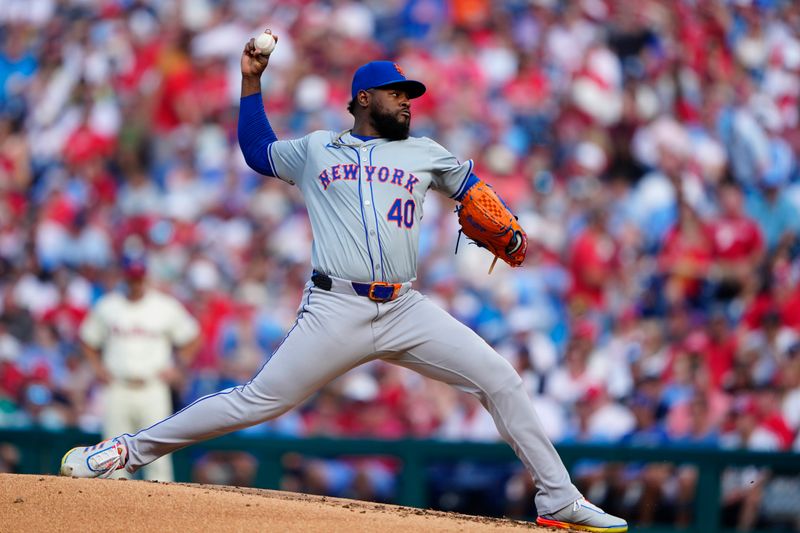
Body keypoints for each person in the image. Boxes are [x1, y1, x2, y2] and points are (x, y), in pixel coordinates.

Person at [61, 31, 627, 532]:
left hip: (406, 308)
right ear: (363, 98)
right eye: (397, 93)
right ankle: (124, 451)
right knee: (256, 401)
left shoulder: (426, 153)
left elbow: (475, 193)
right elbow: (258, 152)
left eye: (411, 94)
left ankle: (559, 498)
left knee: (501, 380)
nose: (407, 101)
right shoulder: (316, 149)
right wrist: (251, 83)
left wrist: (505, 228)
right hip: (335, 308)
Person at [75, 253, 201, 481]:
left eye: (139, 277)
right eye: (132, 278)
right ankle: (114, 512)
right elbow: (88, 339)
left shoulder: (164, 306)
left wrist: (178, 367)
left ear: (146, 277)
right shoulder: (109, 306)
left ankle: (162, 514)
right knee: (112, 458)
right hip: (117, 386)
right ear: (124, 277)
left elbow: (192, 337)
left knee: (159, 458)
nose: (135, 282)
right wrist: (97, 367)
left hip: (152, 387)